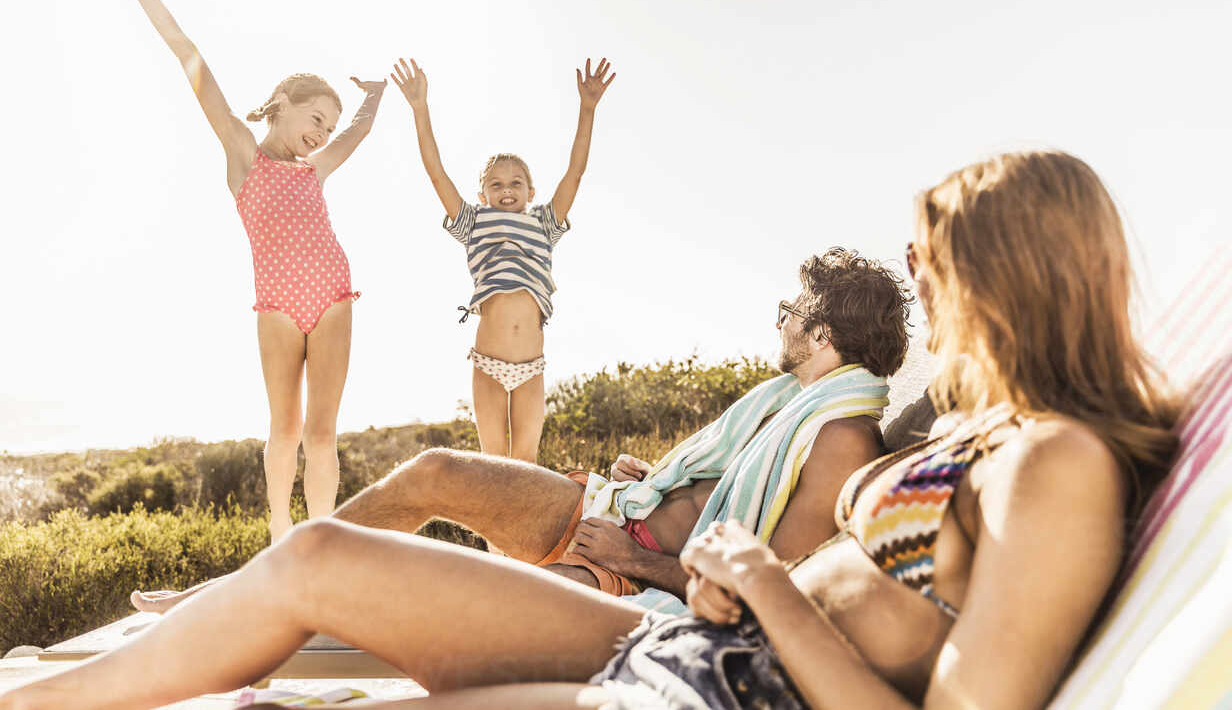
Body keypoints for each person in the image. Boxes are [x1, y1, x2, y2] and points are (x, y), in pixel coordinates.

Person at [1, 152, 1179, 709]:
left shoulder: (1057, 464)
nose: (925, 294)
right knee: (316, 562)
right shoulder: (992, 431)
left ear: (1009, 274)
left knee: (328, 599)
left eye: (938, 267)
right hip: (695, 645)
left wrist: (756, 581)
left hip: (731, 688)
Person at [131, 247, 913, 612]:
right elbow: (723, 489)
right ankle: (233, 590)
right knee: (436, 469)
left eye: (794, 313)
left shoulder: (843, 439)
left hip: (633, 571)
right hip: (618, 513)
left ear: (823, 336)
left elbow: (778, 591)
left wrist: (647, 571)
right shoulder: (787, 397)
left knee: (448, 604)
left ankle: (259, 610)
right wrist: (665, 481)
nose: (780, 320)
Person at [104, 0, 387, 541]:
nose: (321, 133)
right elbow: (188, 55)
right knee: (284, 429)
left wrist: (374, 95)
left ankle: (323, 540)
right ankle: (281, 533)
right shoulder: (242, 153)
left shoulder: (316, 168)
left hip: (335, 297)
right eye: (314, 117)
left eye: (327, 126)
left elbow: (362, 130)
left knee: (322, 432)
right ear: (281, 105)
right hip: (278, 306)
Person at [389, 56, 614, 462]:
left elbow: (575, 173)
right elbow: (436, 173)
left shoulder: (545, 223)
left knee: (525, 466)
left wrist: (587, 110)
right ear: (483, 195)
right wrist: (420, 109)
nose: (506, 190)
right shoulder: (473, 222)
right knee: (494, 465)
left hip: (531, 366)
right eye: (495, 185)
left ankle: (525, 528)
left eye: (515, 183)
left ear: (530, 191)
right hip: (488, 363)